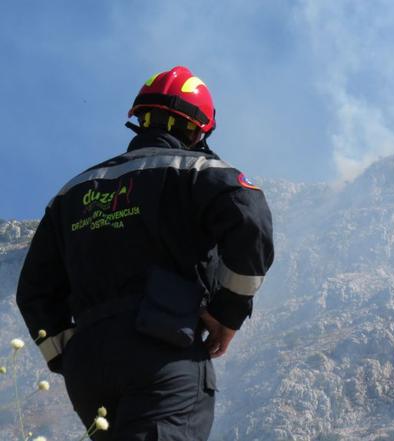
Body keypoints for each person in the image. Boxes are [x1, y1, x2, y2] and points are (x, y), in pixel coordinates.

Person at [16, 66, 274, 440]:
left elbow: (35, 290)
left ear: (139, 120)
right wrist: (227, 312)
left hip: (89, 368)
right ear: (197, 130)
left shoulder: (71, 193)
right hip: (164, 347)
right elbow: (251, 221)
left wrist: (69, 356)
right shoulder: (200, 170)